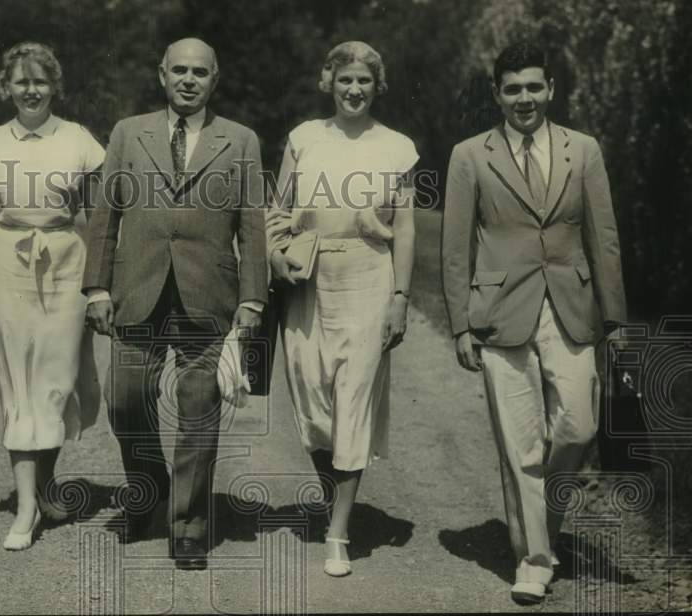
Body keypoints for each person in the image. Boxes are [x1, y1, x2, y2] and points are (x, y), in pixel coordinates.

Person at [441, 41, 626, 604]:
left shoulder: (583, 150)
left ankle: (540, 521)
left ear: (551, 89)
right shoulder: (469, 155)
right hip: (499, 312)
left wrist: (615, 318)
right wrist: (460, 325)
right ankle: (534, 560)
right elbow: (454, 248)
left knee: (578, 428)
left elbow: (604, 236)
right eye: (513, 89)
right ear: (497, 94)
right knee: (520, 443)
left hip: (572, 306)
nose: (524, 99)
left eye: (534, 87)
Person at [82, 38, 267, 570]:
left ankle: (188, 524)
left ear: (215, 79)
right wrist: (97, 288)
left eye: (199, 72)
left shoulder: (241, 140)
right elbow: (106, 216)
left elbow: (252, 226)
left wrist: (253, 299)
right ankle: (150, 490)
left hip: (208, 294)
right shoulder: (128, 133)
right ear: (162, 75)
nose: (189, 80)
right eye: (179, 70)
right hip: (137, 289)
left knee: (198, 410)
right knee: (124, 400)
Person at [267, 41, 417, 578]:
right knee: (312, 400)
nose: (354, 90)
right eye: (345, 79)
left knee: (353, 399)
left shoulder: (398, 148)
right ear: (328, 81)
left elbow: (405, 230)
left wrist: (401, 297)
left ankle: (338, 531)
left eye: (364, 81)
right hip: (309, 279)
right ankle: (336, 496)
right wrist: (275, 255)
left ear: (378, 86)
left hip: (368, 277)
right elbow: (278, 211)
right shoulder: (304, 138)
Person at [0, 42, 103, 551]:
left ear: (54, 86)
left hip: (66, 265)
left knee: (56, 383)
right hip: (6, 264)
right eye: (21, 81)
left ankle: (45, 484)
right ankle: (26, 507)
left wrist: (97, 286)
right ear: (6, 87)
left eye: (40, 81)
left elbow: (94, 219)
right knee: (18, 384)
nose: (31, 90)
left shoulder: (79, 140)